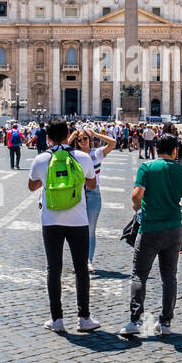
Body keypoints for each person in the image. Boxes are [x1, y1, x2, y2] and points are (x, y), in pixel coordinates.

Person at [27, 119, 99, 333]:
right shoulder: (83, 157)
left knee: (53, 269)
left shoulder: (41, 159)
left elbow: (32, 186)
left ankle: (56, 320)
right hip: (78, 221)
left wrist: (47, 179)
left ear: (47, 137)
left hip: (51, 221)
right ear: (69, 135)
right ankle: (84, 318)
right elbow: (92, 184)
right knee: (81, 270)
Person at [121, 133, 182, 336]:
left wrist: (136, 207)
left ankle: (135, 321)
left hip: (150, 229)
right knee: (169, 278)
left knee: (139, 276)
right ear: (175, 151)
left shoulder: (147, 168)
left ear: (156, 148)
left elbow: (136, 196)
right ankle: (166, 322)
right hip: (174, 230)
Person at [73, 126, 116, 270]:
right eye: (79, 140)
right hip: (78, 194)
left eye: (85, 138)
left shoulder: (96, 153)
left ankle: (88, 260)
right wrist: (72, 136)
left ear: (89, 139)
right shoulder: (74, 155)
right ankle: (79, 260)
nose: (82, 141)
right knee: (77, 230)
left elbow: (113, 143)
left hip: (94, 193)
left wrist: (96, 133)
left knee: (90, 229)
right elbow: (58, 150)